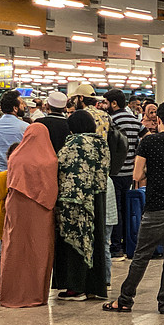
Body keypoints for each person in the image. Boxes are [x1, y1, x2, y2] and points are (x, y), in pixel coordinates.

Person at [103, 102, 164, 315]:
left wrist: (150, 174)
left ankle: (125, 299)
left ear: (159, 120)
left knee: (142, 255)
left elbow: (136, 176)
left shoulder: (149, 142)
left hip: (156, 207)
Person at [52, 110, 110, 301]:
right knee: (95, 242)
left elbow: (60, 164)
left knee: (75, 242)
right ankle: (93, 285)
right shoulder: (100, 142)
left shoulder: (75, 143)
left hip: (75, 201)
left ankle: (76, 288)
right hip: (96, 198)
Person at [0, 123, 58, 307]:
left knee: (14, 248)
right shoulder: (51, 160)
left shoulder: (16, 157)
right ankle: (37, 294)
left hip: (17, 209)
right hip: (42, 212)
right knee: (39, 250)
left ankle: (11, 293)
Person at [104, 89, 148, 259]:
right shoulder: (134, 120)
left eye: (107, 103)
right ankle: (125, 243)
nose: (104, 106)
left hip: (114, 173)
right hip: (129, 172)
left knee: (115, 210)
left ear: (114, 103)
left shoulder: (112, 120)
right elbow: (147, 136)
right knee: (126, 208)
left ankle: (116, 247)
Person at [0, 90, 28, 260]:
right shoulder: (25, 127)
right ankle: (16, 255)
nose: (24, 105)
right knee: (18, 216)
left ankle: (0, 256)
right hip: (17, 177)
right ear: (15, 108)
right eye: (21, 103)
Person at [0, 141, 18, 304]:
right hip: (12, 222)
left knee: (3, 257)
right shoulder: (7, 177)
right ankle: (4, 290)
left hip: (3, 223)